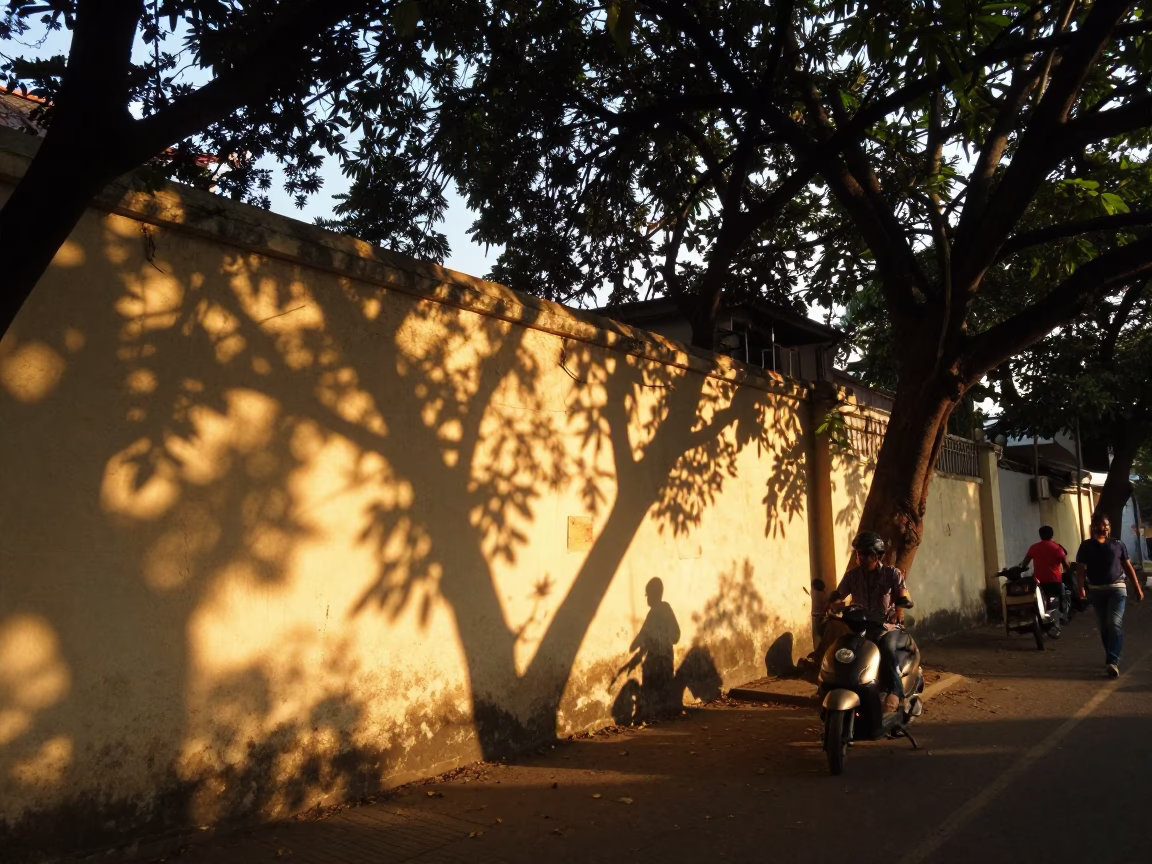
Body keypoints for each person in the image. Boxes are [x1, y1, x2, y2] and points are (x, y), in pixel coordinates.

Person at [827, 532, 911, 714]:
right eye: (859, 554)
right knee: (844, 649)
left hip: (886, 627)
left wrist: (901, 605)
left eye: (867, 554)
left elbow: (903, 594)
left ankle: (897, 692)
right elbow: (839, 593)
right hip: (860, 627)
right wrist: (833, 601)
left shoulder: (892, 574)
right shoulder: (852, 576)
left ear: (878, 556)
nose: (862, 558)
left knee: (887, 648)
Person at [1075, 513, 1145, 677]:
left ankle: (1113, 660)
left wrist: (1137, 587)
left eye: (1106, 525)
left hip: (1117, 588)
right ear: (1093, 527)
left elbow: (1127, 567)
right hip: (1096, 590)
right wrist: (1081, 588)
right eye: (1100, 525)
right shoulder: (1086, 546)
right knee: (1104, 626)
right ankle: (1110, 655)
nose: (1103, 528)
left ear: (1109, 527)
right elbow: (1080, 570)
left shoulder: (1117, 544)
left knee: (1113, 623)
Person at [1019, 525, 1071, 629]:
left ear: (1040, 535)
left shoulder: (1033, 547)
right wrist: (1066, 568)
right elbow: (1066, 564)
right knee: (1063, 596)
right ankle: (1064, 615)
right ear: (1052, 535)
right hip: (1055, 582)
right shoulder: (1057, 548)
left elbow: (1024, 563)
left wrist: (1021, 567)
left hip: (1040, 582)